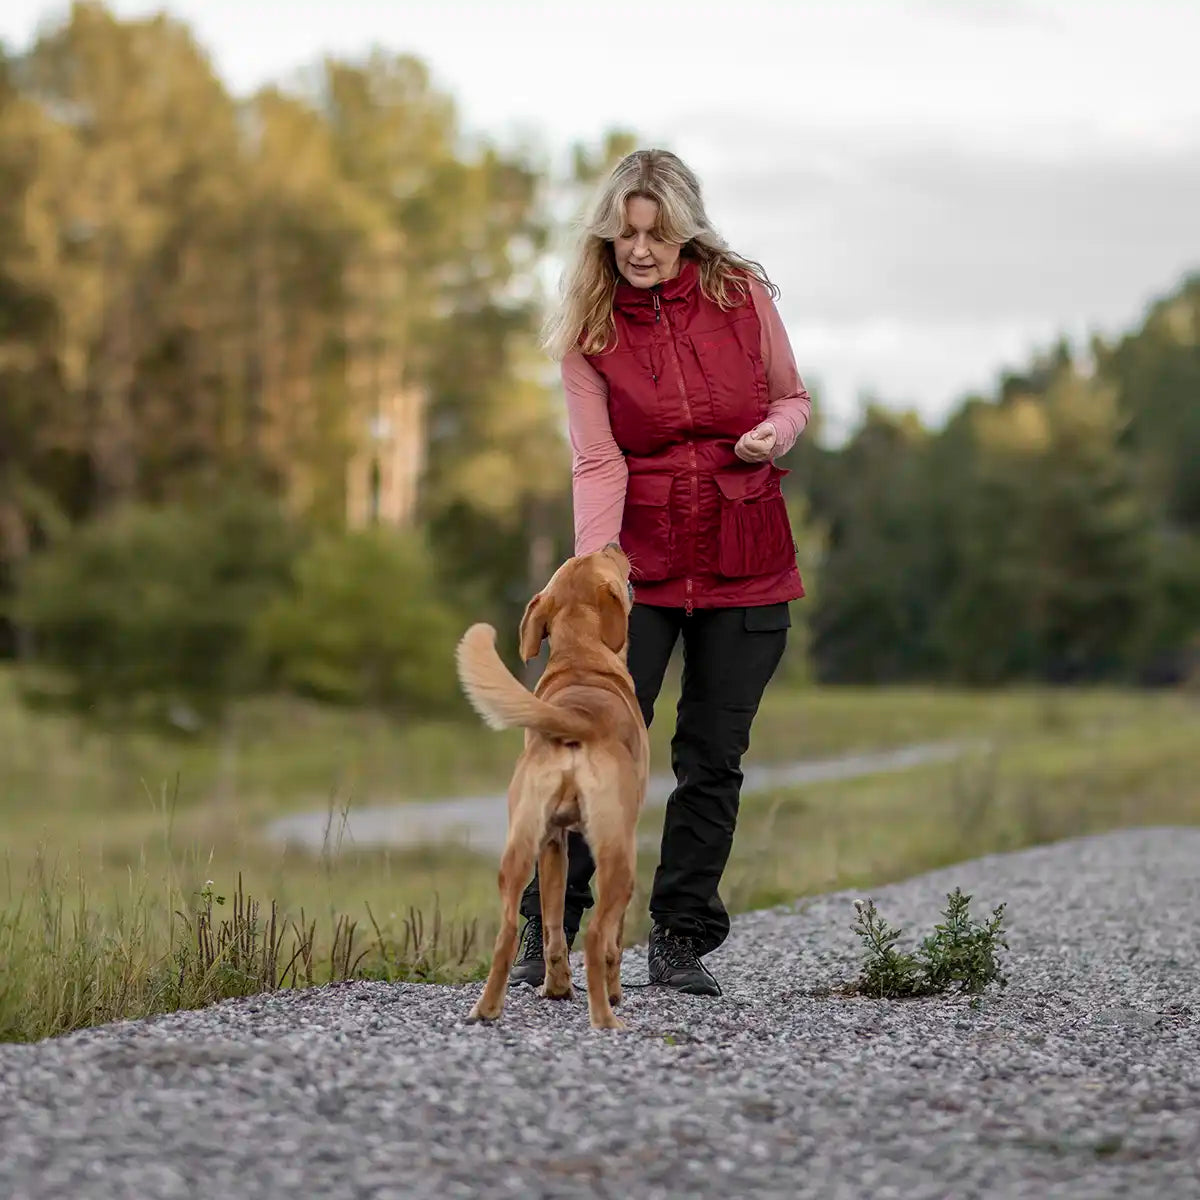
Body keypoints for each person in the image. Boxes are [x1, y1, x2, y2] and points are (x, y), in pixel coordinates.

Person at [512, 148, 812, 997]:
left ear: (687, 229)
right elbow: (597, 462)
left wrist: (772, 437)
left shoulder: (741, 296)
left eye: (657, 233)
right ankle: (547, 935)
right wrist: (594, 576)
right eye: (624, 233)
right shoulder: (589, 328)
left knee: (712, 755)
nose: (639, 250)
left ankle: (679, 941)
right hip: (638, 569)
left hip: (744, 555)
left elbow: (792, 398)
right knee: (588, 742)